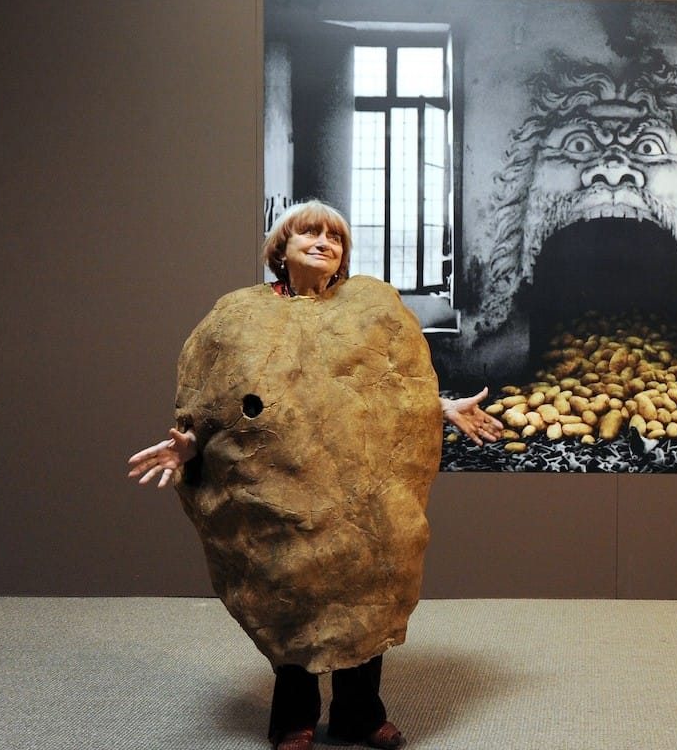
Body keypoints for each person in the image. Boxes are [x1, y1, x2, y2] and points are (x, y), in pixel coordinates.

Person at [128, 200, 501, 750]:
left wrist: (440, 407)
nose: (325, 242)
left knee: (367, 582)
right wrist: (186, 444)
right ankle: (294, 719)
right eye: (310, 232)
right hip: (276, 486)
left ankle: (359, 714)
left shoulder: (373, 307)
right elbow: (212, 400)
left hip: (362, 488)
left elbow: (396, 384)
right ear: (282, 246)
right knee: (288, 589)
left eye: (336, 237)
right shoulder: (236, 316)